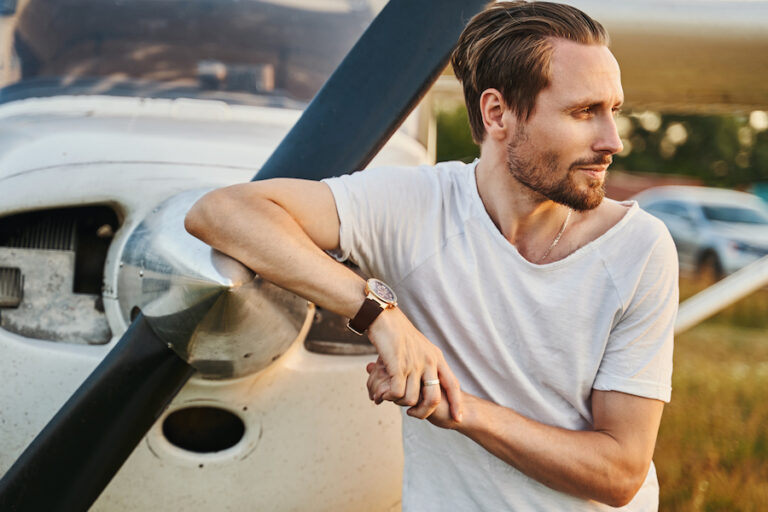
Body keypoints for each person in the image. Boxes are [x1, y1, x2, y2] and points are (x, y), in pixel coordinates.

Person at [184, 1, 678, 510]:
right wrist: (377, 312)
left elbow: (619, 472)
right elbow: (221, 212)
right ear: (497, 112)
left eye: (613, 110)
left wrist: (458, 409)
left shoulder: (640, 248)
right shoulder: (417, 204)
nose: (612, 141)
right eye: (583, 112)